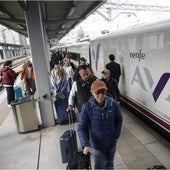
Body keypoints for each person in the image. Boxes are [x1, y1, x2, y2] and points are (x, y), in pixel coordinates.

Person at [77, 80, 123, 169]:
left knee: (109, 165)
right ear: (92, 92)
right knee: (99, 167)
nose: (101, 95)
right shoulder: (87, 107)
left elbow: (119, 120)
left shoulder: (113, 104)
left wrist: (116, 135)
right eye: (98, 92)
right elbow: (81, 127)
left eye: (103, 92)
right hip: (96, 146)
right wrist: (85, 144)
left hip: (111, 144)